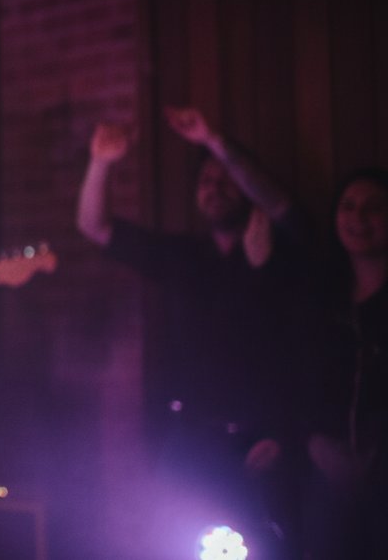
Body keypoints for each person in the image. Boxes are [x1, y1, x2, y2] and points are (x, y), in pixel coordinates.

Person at [76, 107, 307, 555]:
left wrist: (215, 140)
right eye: (205, 182)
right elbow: (93, 225)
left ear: (245, 189)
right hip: (189, 440)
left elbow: (285, 209)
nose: (214, 189)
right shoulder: (184, 256)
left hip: (259, 442)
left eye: (225, 181)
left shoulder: (282, 250)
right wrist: (101, 161)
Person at [299, 167, 388, 558]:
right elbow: (299, 377)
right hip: (328, 472)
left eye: (373, 208)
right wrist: (314, 441)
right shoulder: (325, 296)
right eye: (348, 207)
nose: (358, 219)